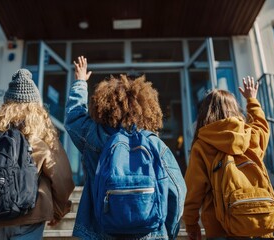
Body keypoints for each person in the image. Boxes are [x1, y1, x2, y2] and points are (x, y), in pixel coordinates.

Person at [65, 56, 186, 239]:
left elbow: (74, 116)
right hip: (149, 232)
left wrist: (80, 82)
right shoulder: (154, 143)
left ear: (102, 106)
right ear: (147, 107)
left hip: (101, 230)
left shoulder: (94, 135)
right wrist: (167, 231)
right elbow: (177, 190)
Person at [0, 69, 75, 240]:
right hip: (29, 217)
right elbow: (63, 179)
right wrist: (59, 210)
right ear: (34, 108)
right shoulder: (39, 140)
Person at [183, 76, 274, 240]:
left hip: (220, 228)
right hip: (261, 221)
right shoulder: (250, 136)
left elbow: (193, 191)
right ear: (235, 109)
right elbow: (262, 126)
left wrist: (191, 224)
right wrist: (252, 100)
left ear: (205, 113)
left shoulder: (202, 145)